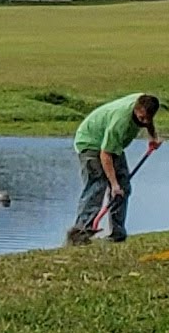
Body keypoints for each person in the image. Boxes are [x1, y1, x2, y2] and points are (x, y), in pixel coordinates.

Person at [67, 90, 161, 243]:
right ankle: (80, 233)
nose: (144, 122)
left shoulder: (145, 102)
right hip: (90, 142)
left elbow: (148, 120)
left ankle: (117, 235)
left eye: (147, 119)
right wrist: (113, 184)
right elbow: (105, 154)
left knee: (124, 187)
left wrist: (152, 137)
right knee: (97, 185)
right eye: (141, 118)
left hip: (110, 145)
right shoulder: (120, 121)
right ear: (136, 109)